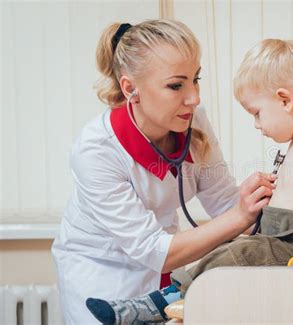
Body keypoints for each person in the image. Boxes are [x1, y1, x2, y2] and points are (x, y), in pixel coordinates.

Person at [86, 38, 293, 324]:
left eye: (257, 113)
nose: (257, 125)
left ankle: (160, 303)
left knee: (238, 253)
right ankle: (168, 296)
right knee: (230, 250)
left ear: (284, 100)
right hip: (288, 243)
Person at [51, 20, 277, 324]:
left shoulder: (193, 121)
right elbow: (157, 249)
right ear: (131, 88)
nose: (194, 97)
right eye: (176, 85)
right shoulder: (96, 151)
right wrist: (240, 215)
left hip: (163, 270)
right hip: (102, 276)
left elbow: (225, 202)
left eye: (195, 79)